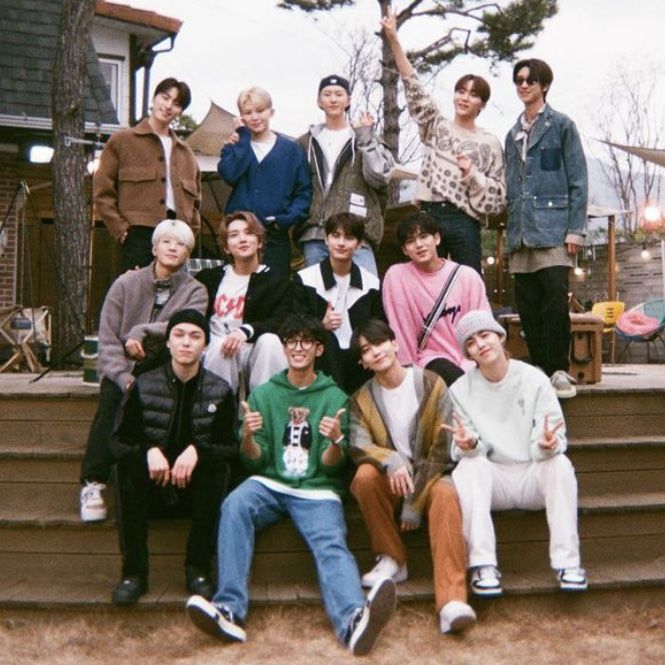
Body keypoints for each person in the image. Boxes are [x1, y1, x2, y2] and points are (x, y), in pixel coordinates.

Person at [185, 314, 396, 656]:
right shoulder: (265, 394)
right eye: (291, 342)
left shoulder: (334, 396)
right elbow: (255, 461)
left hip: (317, 489)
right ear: (283, 348)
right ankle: (228, 609)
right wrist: (249, 438)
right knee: (235, 505)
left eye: (306, 342)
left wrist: (334, 442)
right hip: (269, 482)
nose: (298, 348)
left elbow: (333, 465)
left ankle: (353, 618)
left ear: (318, 348)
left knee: (331, 542)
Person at [348, 319, 475, 635]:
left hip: (432, 478)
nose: (375, 352)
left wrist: (414, 503)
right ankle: (393, 558)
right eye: (366, 350)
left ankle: (451, 602)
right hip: (393, 480)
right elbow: (358, 444)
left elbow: (442, 447)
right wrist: (390, 459)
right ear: (362, 363)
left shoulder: (431, 383)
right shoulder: (361, 399)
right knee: (364, 477)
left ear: (395, 344)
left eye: (379, 343)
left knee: (447, 495)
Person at [448, 310, 587, 597]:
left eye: (485, 335)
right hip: (493, 478)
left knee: (560, 464)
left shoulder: (534, 378)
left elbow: (552, 432)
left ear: (500, 337)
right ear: (468, 353)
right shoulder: (459, 389)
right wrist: (470, 445)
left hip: (532, 474)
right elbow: (461, 444)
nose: (481, 344)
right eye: (471, 342)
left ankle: (568, 565)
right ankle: (483, 565)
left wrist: (546, 445)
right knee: (468, 468)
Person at [79, 219, 207, 522]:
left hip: (165, 366)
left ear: (188, 254)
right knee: (111, 397)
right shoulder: (125, 284)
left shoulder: (195, 290)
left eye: (181, 245)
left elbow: (185, 327)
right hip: (123, 368)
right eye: (167, 242)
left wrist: (141, 331)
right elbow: (109, 340)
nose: (173, 248)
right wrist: (123, 377)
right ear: (154, 247)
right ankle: (93, 482)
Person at [110, 309, 237, 606]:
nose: (186, 343)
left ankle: (198, 568)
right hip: (151, 487)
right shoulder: (143, 385)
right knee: (126, 467)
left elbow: (230, 446)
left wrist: (198, 451)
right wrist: (148, 451)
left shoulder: (220, 390)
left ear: (205, 345)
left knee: (217, 467)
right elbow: (117, 441)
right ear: (168, 343)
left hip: (195, 492)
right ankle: (134, 574)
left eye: (195, 337)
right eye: (178, 335)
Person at [381, 8, 505, 275]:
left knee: (468, 282)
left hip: (464, 219)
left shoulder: (490, 143)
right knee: (426, 281)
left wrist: (472, 175)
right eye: (461, 91)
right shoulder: (437, 126)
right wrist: (393, 39)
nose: (464, 98)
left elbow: (498, 198)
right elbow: (413, 85)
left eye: (472, 95)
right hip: (429, 213)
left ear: (481, 104)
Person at [505, 58, 588, 399]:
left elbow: (579, 181)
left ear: (544, 86)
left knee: (554, 303)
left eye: (530, 80)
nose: (524, 85)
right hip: (520, 234)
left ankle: (559, 370)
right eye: (519, 80)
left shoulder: (562, 126)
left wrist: (575, 230)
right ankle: (538, 367)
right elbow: (510, 184)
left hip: (554, 230)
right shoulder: (512, 134)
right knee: (527, 306)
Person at [95, 78, 201, 271]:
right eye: (165, 97)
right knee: (136, 295)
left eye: (176, 104)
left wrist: (190, 235)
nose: (168, 106)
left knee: (173, 296)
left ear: (181, 111)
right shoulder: (122, 141)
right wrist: (121, 230)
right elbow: (102, 191)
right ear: (154, 98)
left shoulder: (187, 153)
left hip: (177, 237)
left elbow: (196, 204)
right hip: (137, 234)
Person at [294, 75, 394, 275]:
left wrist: (365, 137)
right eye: (327, 94)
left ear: (348, 100)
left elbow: (380, 176)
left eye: (339, 94)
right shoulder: (305, 142)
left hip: (358, 233)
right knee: (317, 299)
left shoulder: (366, 137)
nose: (333, 99)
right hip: (316, 233)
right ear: (319, 101)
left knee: (366, 294)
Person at [382, 212, 491, 386]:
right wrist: (408, 375)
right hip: (430, 358)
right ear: (404, 250)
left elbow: (484, 325)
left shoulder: (467, 276)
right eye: (410, 241)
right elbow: (401, 328)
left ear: (437, 239)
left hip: (470, 355)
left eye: (424, 237)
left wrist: (478, 360)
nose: (419, 245)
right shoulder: (397, 277)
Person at [218, 86, 312, 278]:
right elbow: (230, 175)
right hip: (240, 236)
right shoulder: (234, 146)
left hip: (275, 236)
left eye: (260, 111)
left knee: (275, 293)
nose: (254, 117)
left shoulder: (292, 150)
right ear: (241, 117)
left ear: (271, 112)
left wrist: (284, 220)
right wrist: (243, 137)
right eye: (248, 113)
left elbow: (303, 193)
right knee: (239, 290)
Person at [195, 211, 290, 394]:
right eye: (234, 235)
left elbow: (282, 320)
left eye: (249, 233)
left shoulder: (277, 281)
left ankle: (264, 412)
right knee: (222, 348)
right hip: (216, 349)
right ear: (226, 248)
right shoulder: (208, 278)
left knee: (270, 342)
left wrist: (246, 330)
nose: (242, 239)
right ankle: (217, 414)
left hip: (254, 349)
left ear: (260, 242)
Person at [293, 212, 384, 394]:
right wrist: (321, 325)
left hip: (359, 358)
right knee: (329, 341)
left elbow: (378, 325)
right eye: (335, 236)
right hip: (319, 357)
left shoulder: (371, 282)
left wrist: (367, 349)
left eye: (349, 238)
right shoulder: (306, 278)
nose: (341, 243)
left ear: (359, 245)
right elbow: (293, 324)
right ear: (326, 240)